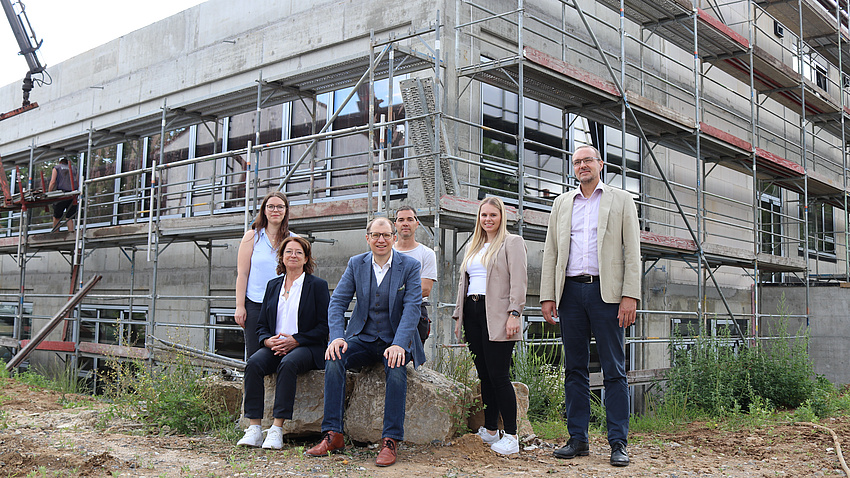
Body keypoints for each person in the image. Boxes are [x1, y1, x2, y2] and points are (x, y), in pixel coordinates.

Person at [539, 145, 641, 467]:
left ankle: (618, 442)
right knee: (574, 369)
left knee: (613, 369)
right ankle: (578, 439)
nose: (582, 166)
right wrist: (547, 296)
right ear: (574, 168)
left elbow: (632, 251)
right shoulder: (561, 203)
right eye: (577, 162)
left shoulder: (621, 200)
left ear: (600, 164)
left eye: (588, 161)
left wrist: (630, 295)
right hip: (570, 293)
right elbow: (551, 251)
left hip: (606, 294)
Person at [306, 217, 425, 467]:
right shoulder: (355, 264)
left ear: (394, 237)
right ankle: (333, 434)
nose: (380, 240)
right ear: (367, 237)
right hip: (363, 336)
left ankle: (390, 440)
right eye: (375, 235)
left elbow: (412, 308)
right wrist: (337, 337)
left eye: (386, 235)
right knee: (335, 358)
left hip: (395, 339)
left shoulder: (410, 266)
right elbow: (337, 302)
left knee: (395, 370)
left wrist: (400, 344)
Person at [237, 236, 330, 449]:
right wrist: (267, 341)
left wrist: (296, 341)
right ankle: (254, 428)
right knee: (253, 363)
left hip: (306, 347)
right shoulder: (273, 285)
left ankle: (277, 429)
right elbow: (261, 325)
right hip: (276, 345)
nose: (293, 256)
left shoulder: (317, 286)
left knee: (288, 364)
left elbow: (324, 327)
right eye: (289, 252)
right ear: (282, 257)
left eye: (298, 252)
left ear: (306, 258)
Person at [451, 197, 527, 455]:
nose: (488, 220)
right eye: (484, 215)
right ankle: (491, 429)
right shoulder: (474, 245)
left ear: (501, 217)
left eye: (493, 215)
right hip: (472, 312)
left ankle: (513, 436)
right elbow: (465, 284)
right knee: (484, 375)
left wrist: (514, 313)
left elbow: (519, 280)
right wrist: (459, 316)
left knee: (499, 375)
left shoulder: (512, 242)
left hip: (497, 314)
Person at [235, 191, 294, 360]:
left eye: (280, 207)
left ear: (285, 211)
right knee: (255, 356)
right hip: (255, 304)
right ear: (264, 210)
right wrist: (240, 306)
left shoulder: (293, 240)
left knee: (280, 354)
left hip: (282, 306)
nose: (275, 210)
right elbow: (243, 273)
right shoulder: (252, 237)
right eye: (271, 206)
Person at [393, 206, 437, 344]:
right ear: (395, 224)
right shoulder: (386, 252)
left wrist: (392, 291)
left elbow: (425, 289)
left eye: (410, 219)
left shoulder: (426, 253)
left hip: (416, 312)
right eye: (401, 220)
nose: (405, 223)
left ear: (417, 224)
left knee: (412, 361)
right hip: (386, 312)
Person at [48, 158, 78, 232]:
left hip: (61, 195)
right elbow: (77, 182)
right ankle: (71, 233)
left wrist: (49, 193)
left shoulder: (57, 168)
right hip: (72, 194)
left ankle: (56, 234)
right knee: (70, 217)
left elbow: (53, 182)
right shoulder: (74, 169)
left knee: (57, 216)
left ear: (60, 162)